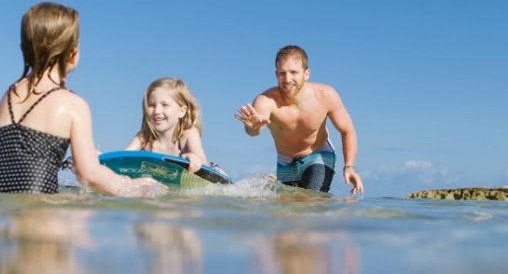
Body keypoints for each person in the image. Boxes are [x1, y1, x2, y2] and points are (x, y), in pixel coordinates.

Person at [0, 2, 162, 196]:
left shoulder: (8, 97)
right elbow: (89, 174)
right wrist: (133, 186)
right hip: (36, 204)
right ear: (72, 53)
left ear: (24, 49)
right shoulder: (73, 105)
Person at [235, 45, 363, 194]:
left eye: (294, 72)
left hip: (318, 155)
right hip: (285, 162)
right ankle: (272, 181)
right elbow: (253, 130)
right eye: (282, 73)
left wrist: (350, 166)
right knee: (289, 211)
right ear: (276, 74)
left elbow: (347, 130)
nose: (287, 79)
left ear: (306, 73)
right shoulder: (266, 101)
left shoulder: (326, 96)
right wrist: (253, 127)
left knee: (311, 202)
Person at [125, 77, 208, 172]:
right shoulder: (145, 136)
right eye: (152, 105)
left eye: (165, 105)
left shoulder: (188, 133)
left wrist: (192, 157)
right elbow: (123, 156)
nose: (157, 111)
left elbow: (204, 164)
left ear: (181, 111)